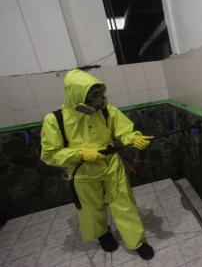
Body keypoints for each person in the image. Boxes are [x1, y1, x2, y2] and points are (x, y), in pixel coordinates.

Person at [40, 69, 155, 260]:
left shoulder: (106, 110)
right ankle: (103, 234)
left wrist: (134, 138)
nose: (99, 100)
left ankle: (137, 241)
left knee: (124, 203)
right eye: (93, 96)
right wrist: (79, 153)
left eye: (100, 95)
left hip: (111, 167)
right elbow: (49, 154)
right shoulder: (55, 120)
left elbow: (124, 131)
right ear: (76, 94)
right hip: (83, 173)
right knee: (91, 209)